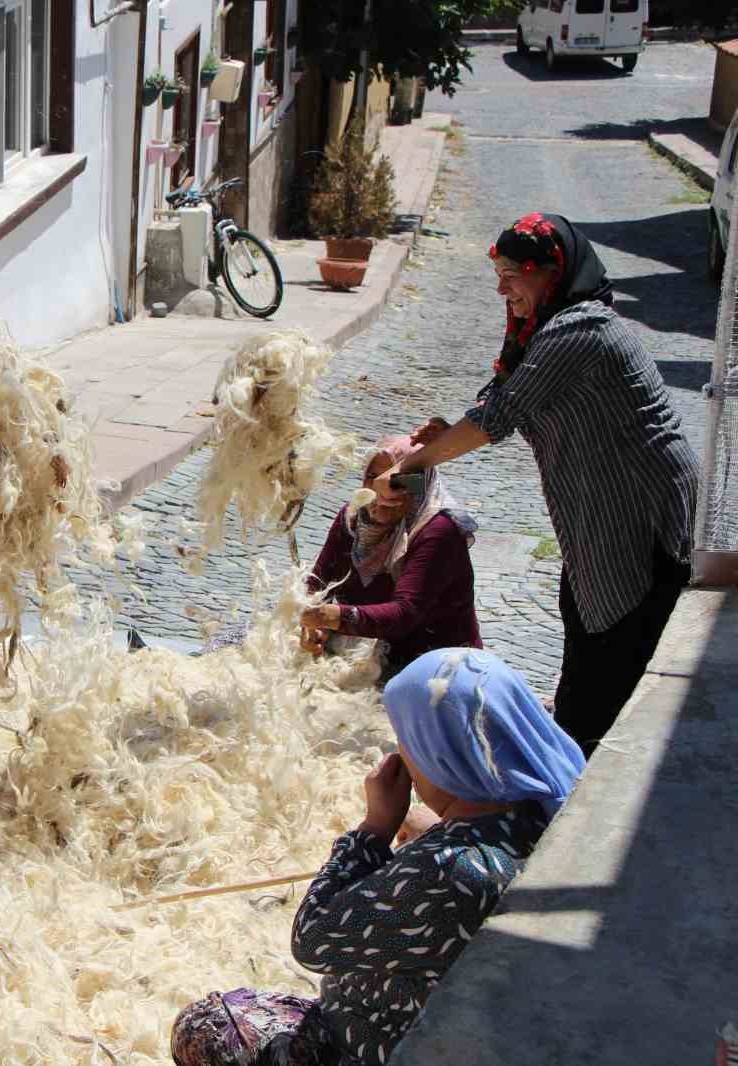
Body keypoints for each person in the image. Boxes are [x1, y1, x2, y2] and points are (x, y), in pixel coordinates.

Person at [376, 212, 698, 756]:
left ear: (554, 271)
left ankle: (585, 768)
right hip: (597, 514)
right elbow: (501, 396)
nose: (501, 289)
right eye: (498, 274)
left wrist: (412, 463)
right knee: (587, 616)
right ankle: (576, 741)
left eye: (512, 274)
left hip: (638, 514)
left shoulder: (580, 330)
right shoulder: (548, 329)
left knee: (613, 647)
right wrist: (446, 435)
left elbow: (499, 415)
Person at [170, 648, 585, 1066]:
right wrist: (442, 826)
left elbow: (312, 941)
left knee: (203, 1027)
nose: (401, 758)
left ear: (440, 755)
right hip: (476, 1020)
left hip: (383, 1041)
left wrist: (374, 829)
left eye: (407, 743)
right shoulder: (544, 812)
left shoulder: (449, 870)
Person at [299, 436, 481, 674]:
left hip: (438, 665)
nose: (382, 492)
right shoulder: (353, 517)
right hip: (374, 656)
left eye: (397, 481)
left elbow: (405, 613)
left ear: (420, 485)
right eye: (373, 477)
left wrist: (334, 616)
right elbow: (319, 582)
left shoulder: (437, 531)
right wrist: (312, 627)